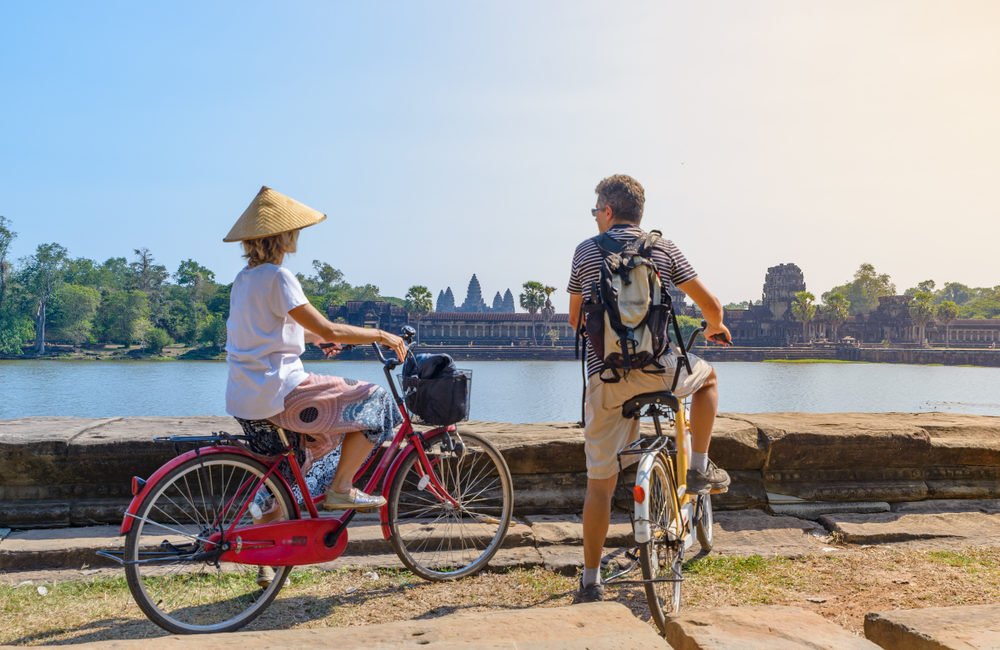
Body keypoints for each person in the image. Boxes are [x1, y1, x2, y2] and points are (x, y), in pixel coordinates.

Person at [223, 186, 409, 591]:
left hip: (244, 395)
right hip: (281, 390)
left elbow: (268, 331)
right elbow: (325, 325)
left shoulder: (244, 280)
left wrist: (313, 341)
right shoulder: (279, 276)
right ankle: (342, 489)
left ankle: (266, 552)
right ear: (285, 237)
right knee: (376, 401)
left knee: (300, 463)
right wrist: (380, 334)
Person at [566, 174, 732, 603]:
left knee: (599, 485)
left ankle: (589, 581)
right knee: (708, 378)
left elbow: (574, 322)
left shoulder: (586, 251)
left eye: (594, 210)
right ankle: (697, 466)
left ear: (606, 211)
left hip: (604, 377)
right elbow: (711, 306)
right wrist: (714, 327)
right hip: (660, 371)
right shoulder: (662, 248)